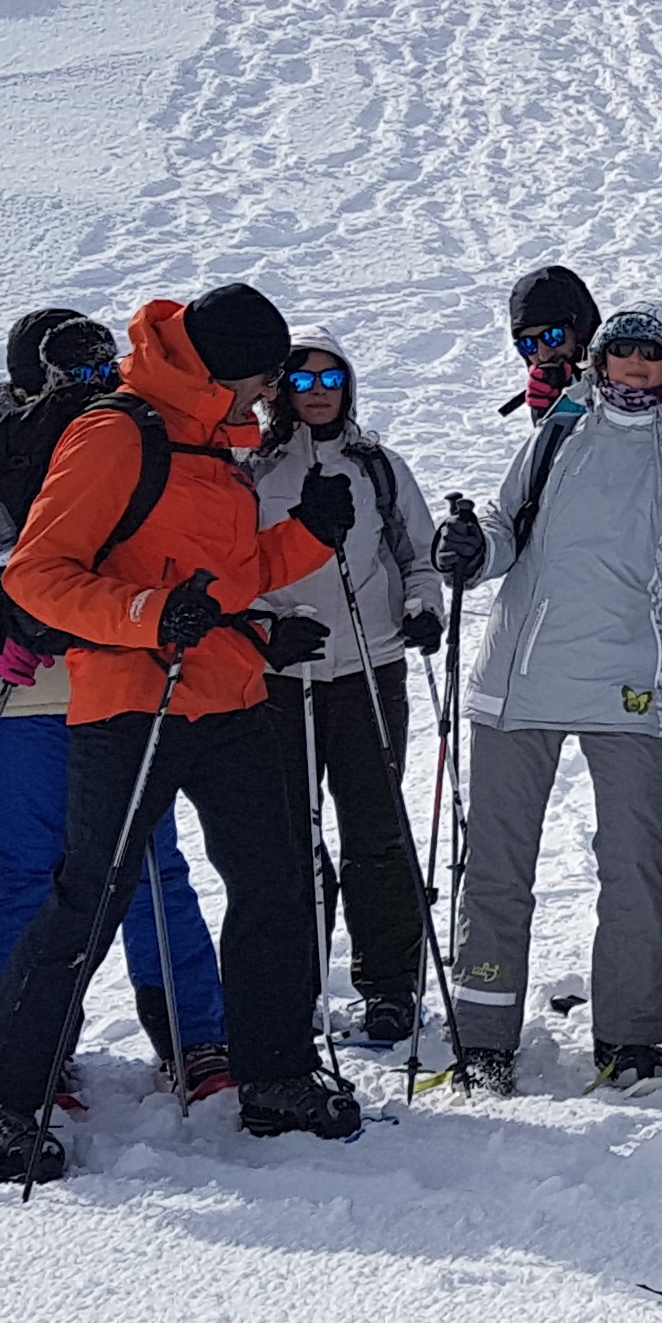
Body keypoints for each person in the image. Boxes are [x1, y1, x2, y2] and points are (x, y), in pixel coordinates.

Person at [0, 284, 361, 1183]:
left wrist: (307, 540)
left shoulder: (213, 439)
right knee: (88, 897)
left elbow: (228, 579)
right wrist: (145, 614)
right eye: (262, 377)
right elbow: (36, 577)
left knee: (274, 880)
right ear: (223, 365)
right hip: (133, 698)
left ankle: (275, 1074)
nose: (270, 396)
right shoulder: (116, 433)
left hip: (227, 691)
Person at [432, 302, 662, 1092]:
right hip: (517, 680)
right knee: (496, 867)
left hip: (627, 683)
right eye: (621, 352)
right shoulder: (559, 431)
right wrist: (468, 551)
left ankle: (633, 1037)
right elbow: (503, 526)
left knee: (635, 864)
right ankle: (483, 1036)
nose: (633, 366)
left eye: (650, 356)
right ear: (600, 360)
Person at [0, 307, 233, 1105]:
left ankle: (40, 1048)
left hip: (55, 686)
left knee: (70, 871)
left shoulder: (18, 449)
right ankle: (181, 1039)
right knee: (129, 868)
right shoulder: (106, 436)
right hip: (96, 680)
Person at [249, 326, 446, 1051]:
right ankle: (294, 983)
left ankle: (389, 987)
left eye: (332, 380)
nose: (320, 393)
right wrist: (264, 630)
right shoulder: (252, 469)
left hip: (370, 663)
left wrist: (424, 608)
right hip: (280, 675)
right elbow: (230, 567)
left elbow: (416, 555)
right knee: (289, 837)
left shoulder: (378, 468)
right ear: (279, 391)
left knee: (375, 832)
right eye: (303, 382)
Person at [502, 263, 599, 420]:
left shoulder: (630, 371)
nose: (544, 355)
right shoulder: (544, 394)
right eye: (528, 345)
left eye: (553, 337)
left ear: (578, 328)